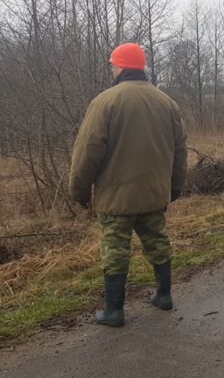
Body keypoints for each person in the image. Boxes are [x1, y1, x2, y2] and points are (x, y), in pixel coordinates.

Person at [69, 43, 188, 327]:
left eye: (112, 64)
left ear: (120, 66)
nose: (111, 69)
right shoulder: (166, 102)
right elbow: (180, 150)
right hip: (154, 193)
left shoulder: (105, 102)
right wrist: (174, 187)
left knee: (115, 249)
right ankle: (164, 295)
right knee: (157, 242)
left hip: (116, 197)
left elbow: (88, 150)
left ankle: (114, 311)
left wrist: (79, 190)